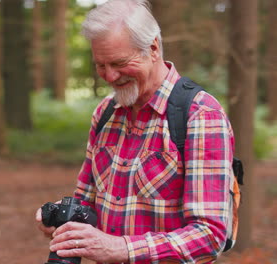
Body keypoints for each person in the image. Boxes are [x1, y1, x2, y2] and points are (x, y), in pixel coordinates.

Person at [35, 0, 235, 263]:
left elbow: (210, 235)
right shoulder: (105, 112)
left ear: (152, 48)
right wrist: (63, 219)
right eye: (101, 65)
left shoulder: (200, 115)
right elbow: (87, 201)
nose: (109, 76)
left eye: (119, 63)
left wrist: (122, 249)